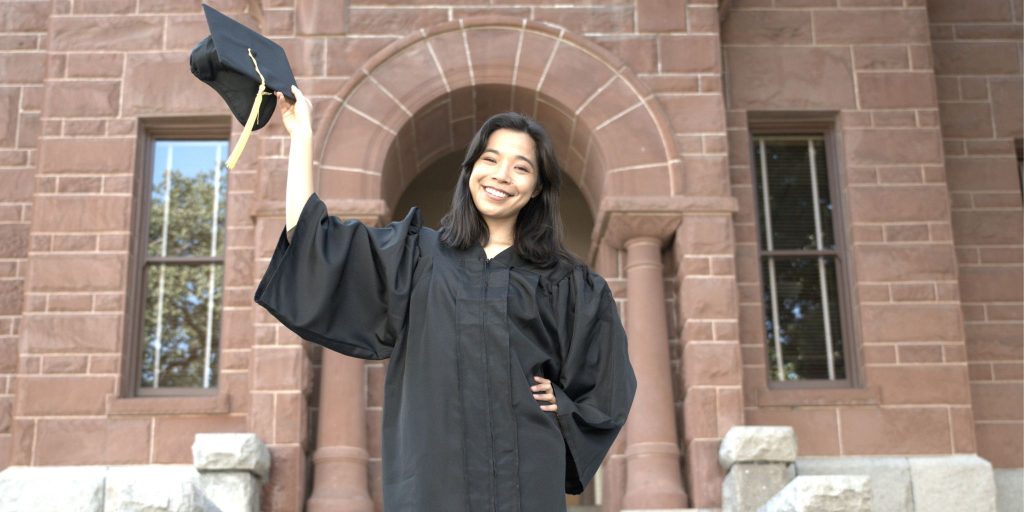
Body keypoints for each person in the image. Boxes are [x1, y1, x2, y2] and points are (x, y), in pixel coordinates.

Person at [254, 85, 636, 512]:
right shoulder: (416, 257)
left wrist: (564, 408)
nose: (501, 175)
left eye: (521, 168)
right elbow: (311, 241)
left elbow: (607, 383)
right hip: (433, 476)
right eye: (490, 159)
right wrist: (301, 134)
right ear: (470, 169)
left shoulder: (567, 283)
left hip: (526, 477)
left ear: (537, 189)